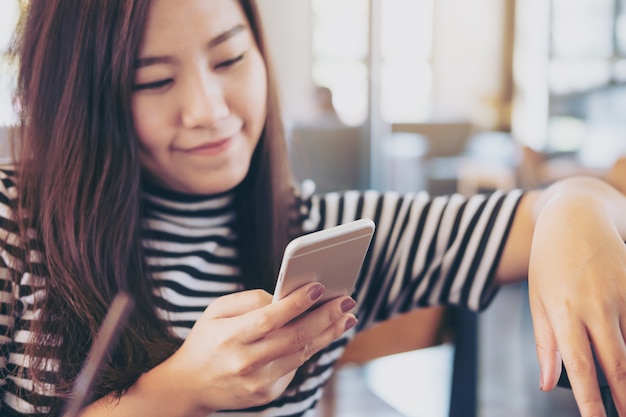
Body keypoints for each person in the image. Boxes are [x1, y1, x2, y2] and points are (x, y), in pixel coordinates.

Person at [1, 1, 625, 417]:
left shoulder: (324, 238)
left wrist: (579, 206)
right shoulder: (13, 223)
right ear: (81, 94)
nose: (210, 109)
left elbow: (545, 212)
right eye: (154, 80)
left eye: (230, 59)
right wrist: (181, 388)